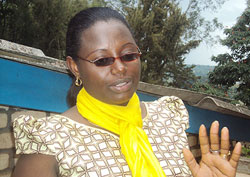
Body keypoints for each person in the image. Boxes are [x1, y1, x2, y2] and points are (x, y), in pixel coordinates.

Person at [12, 7, 241, 177]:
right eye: (102, 60)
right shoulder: (49, 139)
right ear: (74, 67)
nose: (121, 67)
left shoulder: (167, 117)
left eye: (129, 55)